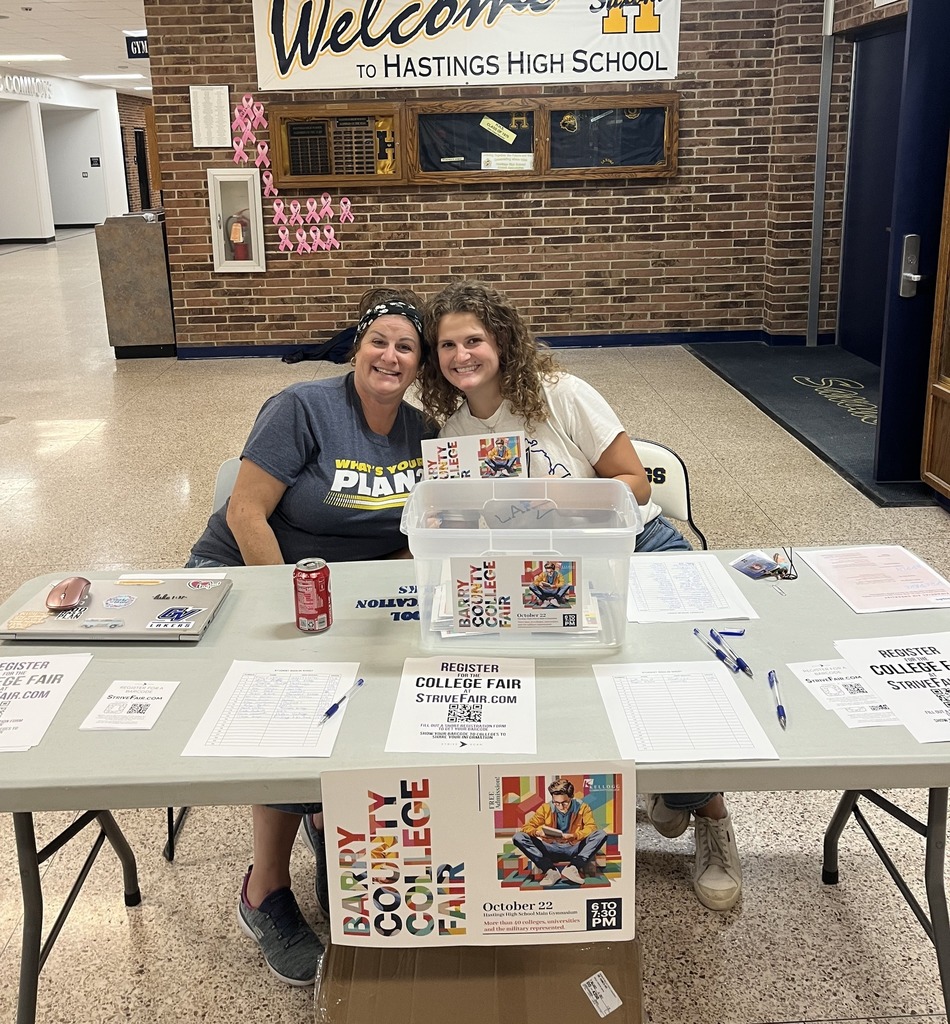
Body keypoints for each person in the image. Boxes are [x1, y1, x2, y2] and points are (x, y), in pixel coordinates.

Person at [420, 281, 741, 911]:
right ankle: (670, 792)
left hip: (634, 549)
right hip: (545, 578)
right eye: (447, 345)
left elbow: (636, 484)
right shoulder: (454, 432)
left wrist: (557, 506)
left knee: (680, 674)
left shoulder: (560, 394)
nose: (461, 356)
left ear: (501, 341)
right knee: (568, 689)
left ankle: (709, 814)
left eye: (473, 340)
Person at [186, 288, 435, 985]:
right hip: (249, 573)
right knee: (294, 701)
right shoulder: (302, 406)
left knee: (380, 687)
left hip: (336, 591)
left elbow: (414, 539)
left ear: (419, 365)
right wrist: (299, 614)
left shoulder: (424, 434)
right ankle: (263, 889)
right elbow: (245, 512)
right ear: (357, 347)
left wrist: (361, 600)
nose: (390, 356)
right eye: (379, 340)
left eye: (406, 347)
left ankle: (325, 817)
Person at [512, 778, 607, 887]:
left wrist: (574, 836)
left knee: (601, 834)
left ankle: (573, 868)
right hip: (550, 848)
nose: (561, 807)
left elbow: (591, 827)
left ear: (571, 797)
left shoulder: (583, 808)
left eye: (565, 803)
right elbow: (526, 827)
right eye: (556, 803)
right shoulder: (545, 808)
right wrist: (538, 833)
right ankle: (550, 871)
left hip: (574, 848)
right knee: (518, 837)